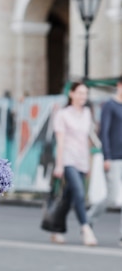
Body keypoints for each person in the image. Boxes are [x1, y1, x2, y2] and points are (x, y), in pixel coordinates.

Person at [51, 81, 98, 246]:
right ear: (71, 94)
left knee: (68, 197)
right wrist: (59, 165)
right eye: (79, 93)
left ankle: (56, 228)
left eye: (85, 93)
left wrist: (90, 164)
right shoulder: (62, 115)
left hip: (83, 161)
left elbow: (87, 140)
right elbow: (61, 141)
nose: (82, 96)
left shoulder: (87, 113)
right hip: (68, 160)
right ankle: (86, 229)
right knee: (79, 193)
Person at [87, 75, 122, 245]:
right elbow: (104, 133)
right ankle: (88, 219)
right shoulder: (110, 105)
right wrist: (106, 156)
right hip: (113, 158)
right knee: (112, 197)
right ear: (119, 86)